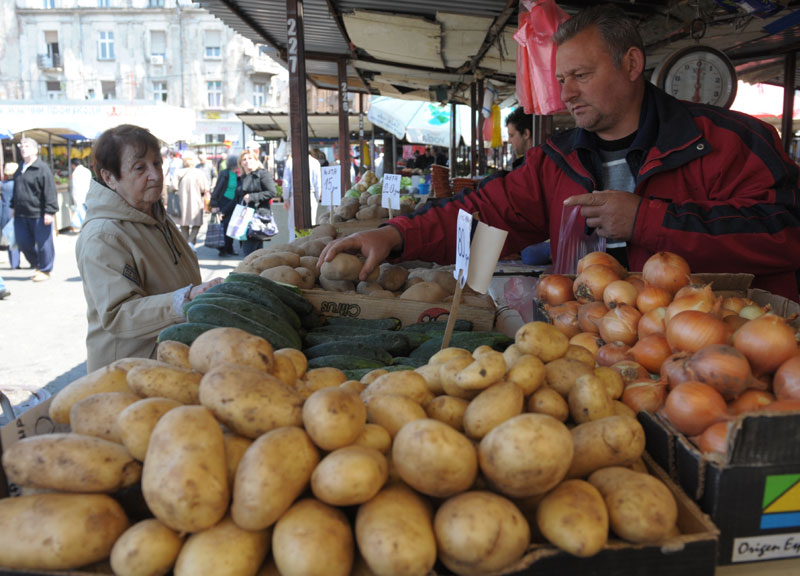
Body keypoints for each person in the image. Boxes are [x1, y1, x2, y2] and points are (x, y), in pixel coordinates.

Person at [319, 4, 800, 301]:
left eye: (582, 76)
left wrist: (647, 221)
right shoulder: (556, 160)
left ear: (631, 63)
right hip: (602, 349)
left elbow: (783, 231)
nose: (566, 93)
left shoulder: (730, 141)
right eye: (561, 78)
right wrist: (394, 235)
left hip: (733, 355)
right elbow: (480, 211)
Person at [76, 124, 221, 372]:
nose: (155, 175)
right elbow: (119, 313)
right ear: (109, 177)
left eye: (157, 164)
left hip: (167, 358)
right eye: (140, 167)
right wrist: (185, 299)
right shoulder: (104, 235)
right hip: (127, 372)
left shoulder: (154, 215)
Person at [11, 137, 58, 282]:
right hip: (20, 213)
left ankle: (45, 269)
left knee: (44, 244)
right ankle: (37, 264)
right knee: (23, 242)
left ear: (35, 150)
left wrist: (49, 211)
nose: (23, 149)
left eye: (27, 146)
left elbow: (50, 190)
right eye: (21, 147)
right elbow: (16, 189)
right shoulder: (20, 167)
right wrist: (13, 206)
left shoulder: (42, 168)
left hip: (39, 213)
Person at [237, 149, 278, 256]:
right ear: (240, 163)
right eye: (244, 159)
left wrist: (252, 197)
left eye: (250, 158)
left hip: (257, 217)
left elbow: (272, 192)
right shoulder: (242, 177)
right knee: (252, 252)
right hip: (244, 218)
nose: (247, 161)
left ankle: (249, 271)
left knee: (250, 252)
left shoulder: (262, 174)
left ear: (256, 160)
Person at [171, 152, 210, 249]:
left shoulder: (178, 172)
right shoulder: (199, 172)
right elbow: (205, 188)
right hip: (196, 203)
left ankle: (186, 245)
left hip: (181, 202)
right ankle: (190, 242)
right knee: (197, 224)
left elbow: (173, 187)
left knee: (184, 226)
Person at [282, 151, 323, 226]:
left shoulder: (290, 162)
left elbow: (286, 183)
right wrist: (317, 198)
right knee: (310, 224)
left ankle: (293, 238)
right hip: (311, 196)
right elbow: (318, 184)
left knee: (293, 226)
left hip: (294, 195)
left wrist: (286, 199)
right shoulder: (315, 162)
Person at [210, 154, 239, 257]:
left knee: (232, 227)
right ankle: (223, 250)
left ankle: (230, 249)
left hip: (234, 203)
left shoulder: (239, 174)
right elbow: (218, 189)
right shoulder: (225, 173)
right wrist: (213, 203)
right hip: (224, 201)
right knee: (225, 227)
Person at [1, 162, 21, 270]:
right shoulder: (18, 183)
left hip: (5, 212)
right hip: (16, 212)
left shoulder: (3, 184)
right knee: (16, 237)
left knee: (10, 239)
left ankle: (14, 263)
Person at [70, 158, 93, 229]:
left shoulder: (75, 173)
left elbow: (74, 187)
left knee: (82, 213)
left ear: (73, 165)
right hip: (88, 194)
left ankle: (84, 227)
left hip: (79, 196)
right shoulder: (87, 171)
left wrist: (74, 198)